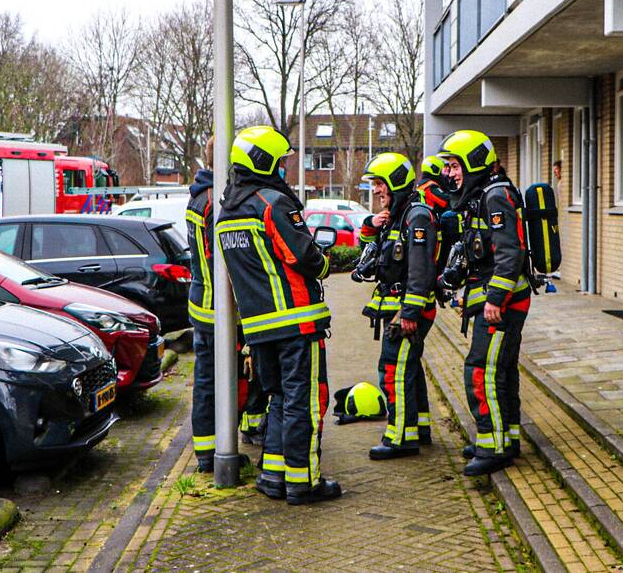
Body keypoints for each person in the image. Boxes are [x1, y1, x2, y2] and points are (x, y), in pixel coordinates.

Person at [215, 125, 341, 505]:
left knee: (278, 399)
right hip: (296, 321)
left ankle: (274, 476)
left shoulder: (226, 213)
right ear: (264, 161)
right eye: (282, 162)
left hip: (258, 329)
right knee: (304, 400)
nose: (284, 169)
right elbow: (304, 256)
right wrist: (324, 263)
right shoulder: (273, 203)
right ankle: (305, 482)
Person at [438, 130, 531, 476]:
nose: (450, 173)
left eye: (454, 165)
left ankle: (492, 446)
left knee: (481, 369)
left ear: (473, 161)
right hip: (496, 300)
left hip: (503, 304)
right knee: (502, 370)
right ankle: (506, 439)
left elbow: (511, 251)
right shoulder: (483, 194)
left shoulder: (495, 196)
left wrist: (494, 299)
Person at [185, 139, 268, 472]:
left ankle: (207, 451)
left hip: (202, 307)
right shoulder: (214, 203)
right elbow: (227, 261)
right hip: (222, 312)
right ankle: (217, 452)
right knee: (224, 382)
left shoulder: (198, 198)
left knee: (206, 382)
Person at [357, 153, 438, 459]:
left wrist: (409, 313)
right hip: (399, 308)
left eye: (380, 184)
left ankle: (400, 437)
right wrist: (370, 225)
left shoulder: (416, 216)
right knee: (409, 368)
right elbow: (372, 252)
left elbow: (420, 269)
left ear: (396, 183)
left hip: (407, 311)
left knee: (394, 370)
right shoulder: (397, 214)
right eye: (374, 184)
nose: (376, 190)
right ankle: (420, 428)